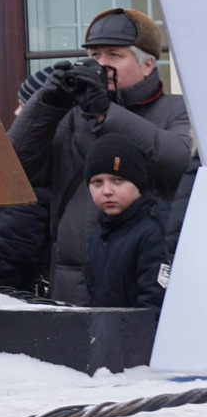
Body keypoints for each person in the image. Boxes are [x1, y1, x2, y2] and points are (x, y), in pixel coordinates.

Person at [0, 7, 196, 301]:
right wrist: (46, 102)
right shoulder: (72, 116)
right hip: (70, 284)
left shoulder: (179, 110)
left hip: (146, 282)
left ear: (148, 64)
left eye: (114, 55)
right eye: (95, 55)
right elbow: (16, 169)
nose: (101, 64)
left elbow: (179, 162)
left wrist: (105, 114)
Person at [81, 130, 170, 309]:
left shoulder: (153, 233)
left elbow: (155, 304)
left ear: (138, 182)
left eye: (118, 180)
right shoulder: (98, 234)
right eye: (97, 182)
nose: (107, 190)